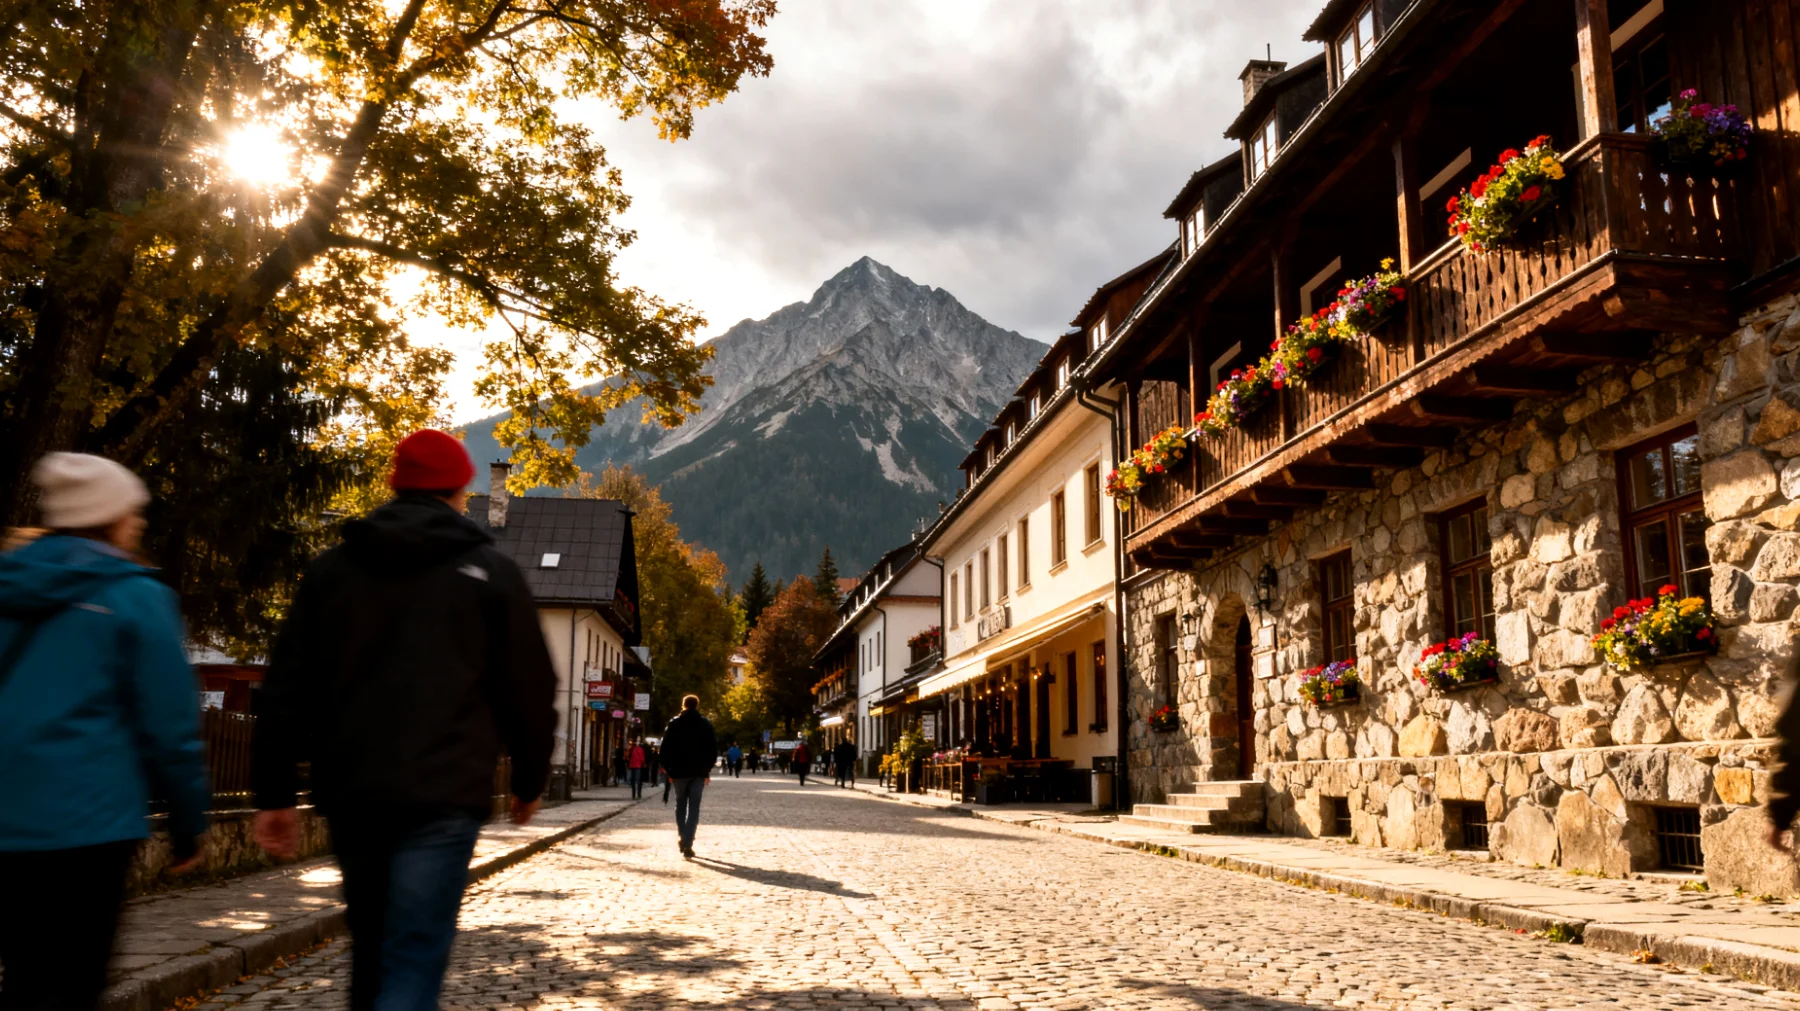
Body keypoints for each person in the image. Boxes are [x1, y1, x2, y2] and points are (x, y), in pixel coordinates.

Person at [252, 429, 556, 1011]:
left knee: (370, 947)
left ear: (396, 484)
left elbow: (288, 686)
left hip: (354, 789)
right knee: (414, 948)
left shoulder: (333, 572)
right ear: (462, 491)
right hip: (446, 791)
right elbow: (529, 686)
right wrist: (528, 781)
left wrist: (275, 792)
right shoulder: (492, 574)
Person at [0, 454, 212, 1011]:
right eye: (132, 512)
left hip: (7, 817)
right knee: (72, 982)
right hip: (88, 821)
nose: (137, 523)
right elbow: (170, 722)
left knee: (22, 976)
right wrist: (189, 820)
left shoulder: (9, 582)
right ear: (111, 517)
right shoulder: (134, 595)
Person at [660, 695, 716, 858]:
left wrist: (669, 771)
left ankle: (683, 836)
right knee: (694, 808)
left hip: (678, 773)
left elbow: (664, 750)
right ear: (697, 705)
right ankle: (687, 842)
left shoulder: (674, 723)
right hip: (698, 773)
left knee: (680, 804)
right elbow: (712, 750)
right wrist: (707, 770)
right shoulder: (705, 724)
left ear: (683, 705)